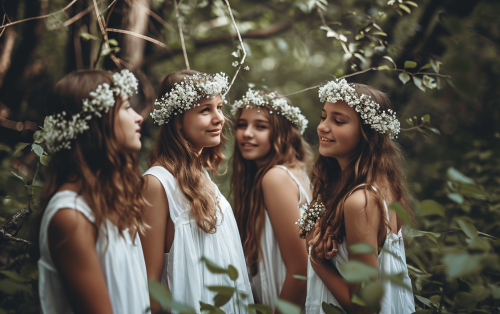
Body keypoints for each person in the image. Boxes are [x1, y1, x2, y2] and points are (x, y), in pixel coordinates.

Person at [37, 69, 150, 314]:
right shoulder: (70, 216)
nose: (138, 117)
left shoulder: (112, 201)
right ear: (97, 122)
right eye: (126, 107)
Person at [141, 70, 253, 313]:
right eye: (205, 110)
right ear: (177, 119)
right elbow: (149, 281)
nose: (219, 118)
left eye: (219, 107)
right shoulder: (157, 183)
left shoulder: (201, 175)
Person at [300, 79, 416, 314]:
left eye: (338, 121)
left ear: (367, 133)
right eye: (324, 117)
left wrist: (318, 261)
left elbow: (365, 307)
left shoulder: (360, 201)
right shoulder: (379, 187)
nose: (323, 127)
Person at [231, 89, 312, 309]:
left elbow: (300, 269)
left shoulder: (276, 178)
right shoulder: (294, 173)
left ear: (281, 133)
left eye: (260, 126)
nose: (247, 133)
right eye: (241, 124)